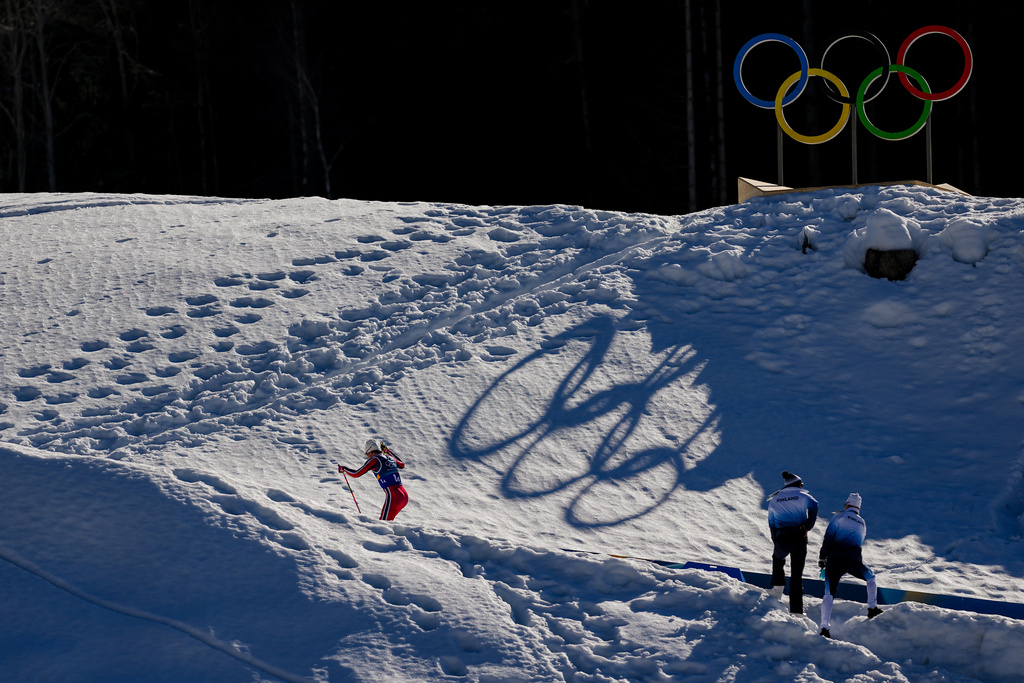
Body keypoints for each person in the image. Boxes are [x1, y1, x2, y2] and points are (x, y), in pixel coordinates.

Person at [817, 493, 882, 638]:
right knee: (871, 578)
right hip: (853, 561)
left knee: (829, 594)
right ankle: (872, 608)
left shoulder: (838, 517)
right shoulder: (862, 522)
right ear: (858, 508)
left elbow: (828, 538)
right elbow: (859, 542)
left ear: (846, 505)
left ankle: (824, 628)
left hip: (834, 560)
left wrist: (822, 558)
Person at [767, 470, 819, 614]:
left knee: (777, 559)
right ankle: (796, 611)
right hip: (798, 537)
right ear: (798, 484)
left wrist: (775, 540)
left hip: (781, 537)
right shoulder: (803, 495)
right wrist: (808, 526)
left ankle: (777, 589)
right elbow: (815, 506)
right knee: (796, 575)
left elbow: (771, 523)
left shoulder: (774, 499)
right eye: (801, 484)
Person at [340, 439, 408, 521]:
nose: (367, 456)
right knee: (387, 524)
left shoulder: (374, 460)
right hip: (404, 496)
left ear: (371, 451)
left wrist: (344, 469)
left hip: (393, 495)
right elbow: (402, 465)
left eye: (367, 454)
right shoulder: (389, 457)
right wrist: (388, 451)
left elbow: (356, 474)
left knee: (384, 525)